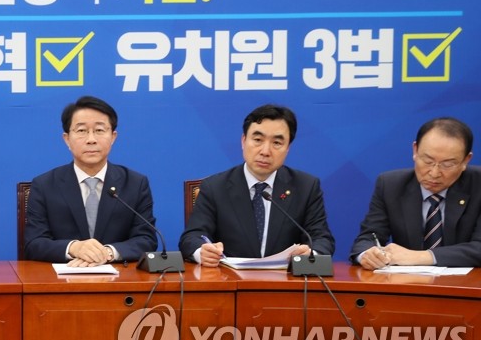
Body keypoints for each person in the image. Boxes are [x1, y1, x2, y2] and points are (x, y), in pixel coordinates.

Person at [179, 104, 335, 267]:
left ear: (288, 148)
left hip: (285, 279)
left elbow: (321, 239)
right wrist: (202, 251)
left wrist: (311, 254)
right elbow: (192, 237)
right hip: (229, 278)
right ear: (243, 141)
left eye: (277, 143)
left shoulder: (306, 187)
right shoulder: (214, 187)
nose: (265, 151)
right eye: (258, 140)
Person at [23, 96, 157, 266]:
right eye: (81, 131)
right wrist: (73, 248)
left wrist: (107, 253)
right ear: (67, 139)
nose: (91, 139)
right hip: (62, 277)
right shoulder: (44, 185)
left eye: (99, 130)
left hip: (119, 277)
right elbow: (33, 243)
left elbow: (146, 239)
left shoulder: (135, 184)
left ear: (113, 137)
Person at [351, 117, 481, 268]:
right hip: (409, 281)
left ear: (466, 161)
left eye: (447, 164)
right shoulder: (390, 185)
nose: (434, 173)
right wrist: (367, 254)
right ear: (415, 150)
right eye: (428, 161)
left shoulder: (478, 185)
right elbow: (368, 238)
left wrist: (421, 256)